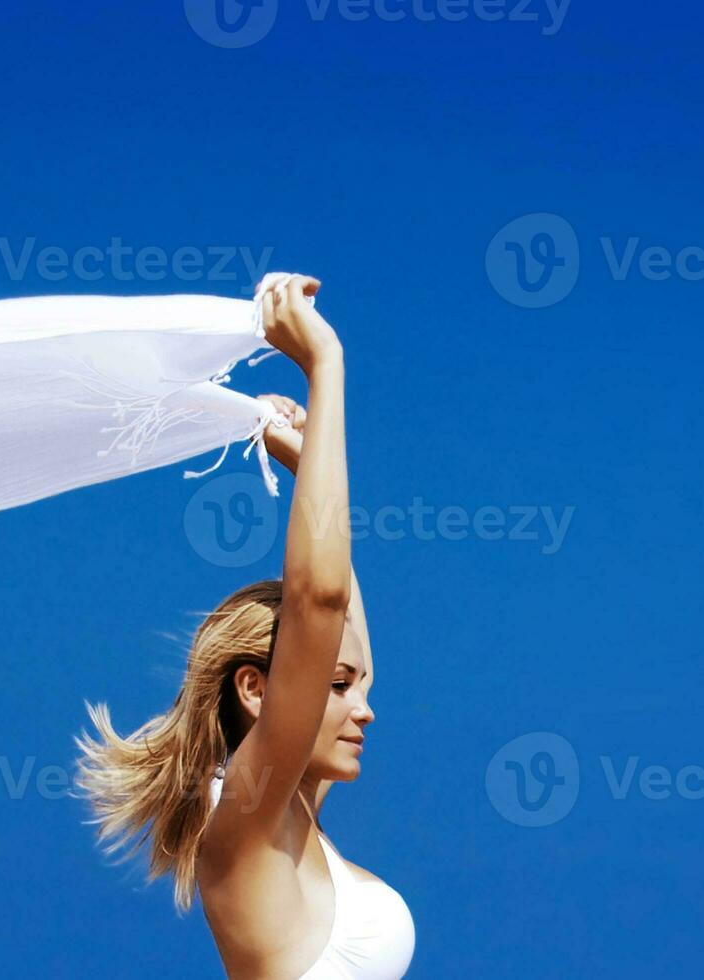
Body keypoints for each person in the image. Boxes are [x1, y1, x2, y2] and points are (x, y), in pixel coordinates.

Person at [76, 274, 412, 979]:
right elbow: (318, 599)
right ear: (255, 690)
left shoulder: (300, 823)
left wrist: (299, 458)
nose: (366, 706)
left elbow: (336, 607)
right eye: (338, 684)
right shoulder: (248, 818)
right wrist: (323, 367)